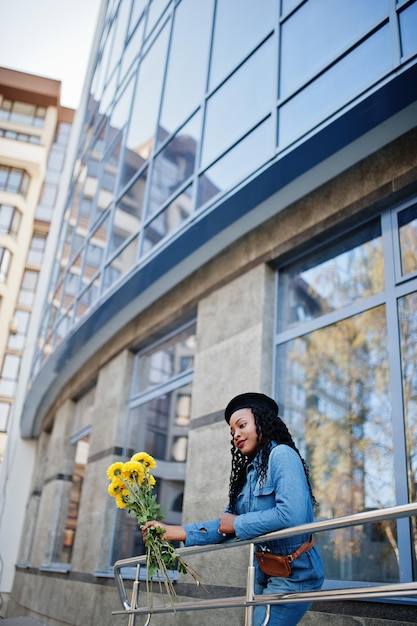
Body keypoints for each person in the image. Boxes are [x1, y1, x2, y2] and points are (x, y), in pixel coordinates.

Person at [142, 392, 324, 626]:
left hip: (297, 572)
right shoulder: (248, 474)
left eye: (242, 425)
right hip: (264, 571)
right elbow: (224, 526)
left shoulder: (282, 455)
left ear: (262, 421)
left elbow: (292, 515)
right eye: (232, 431)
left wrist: (237, 524)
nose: (236, 434)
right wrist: (172, 531)